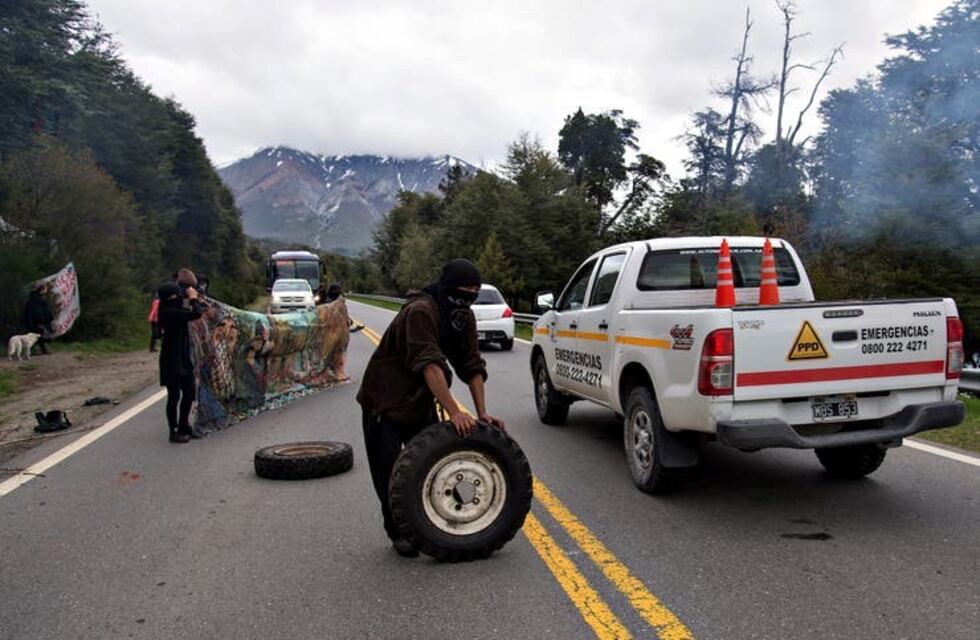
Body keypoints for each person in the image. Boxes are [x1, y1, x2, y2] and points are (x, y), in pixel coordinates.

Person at [357, 258, 506, 557]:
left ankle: (426, 524)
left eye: (474, 294)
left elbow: (472, 364)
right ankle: (398, 532)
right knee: (390, 472)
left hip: (419, 399)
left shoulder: (463, 317)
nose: (468, 300)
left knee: (425, 466)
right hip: (384, 401)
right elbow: (429, 364)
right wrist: (454, 411)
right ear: (448, 288)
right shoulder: (421, 311)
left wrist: (481, 413)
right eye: (464, 293)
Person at [158, 269, 203, 443]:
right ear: (169, 297)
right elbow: (195, 313)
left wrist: (192, 295)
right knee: (174, 396)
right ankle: (173, 431)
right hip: (171, 359)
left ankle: (184, 424)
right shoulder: (168, 313)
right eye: (175, 295)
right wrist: (193, 298)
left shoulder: (174, 308)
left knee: (190, 392)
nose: (179, 297)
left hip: (183, 357)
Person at [24, 284, 54, 355]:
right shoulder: (38, 300)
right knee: (37, 335)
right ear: (42, 290)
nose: (46, 290)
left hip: (36, 321)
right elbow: (42, 311)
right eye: (45, 289)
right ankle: (34, 350)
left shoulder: (33, 299)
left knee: (40, 335)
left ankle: (42, 349)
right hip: (38, 321)